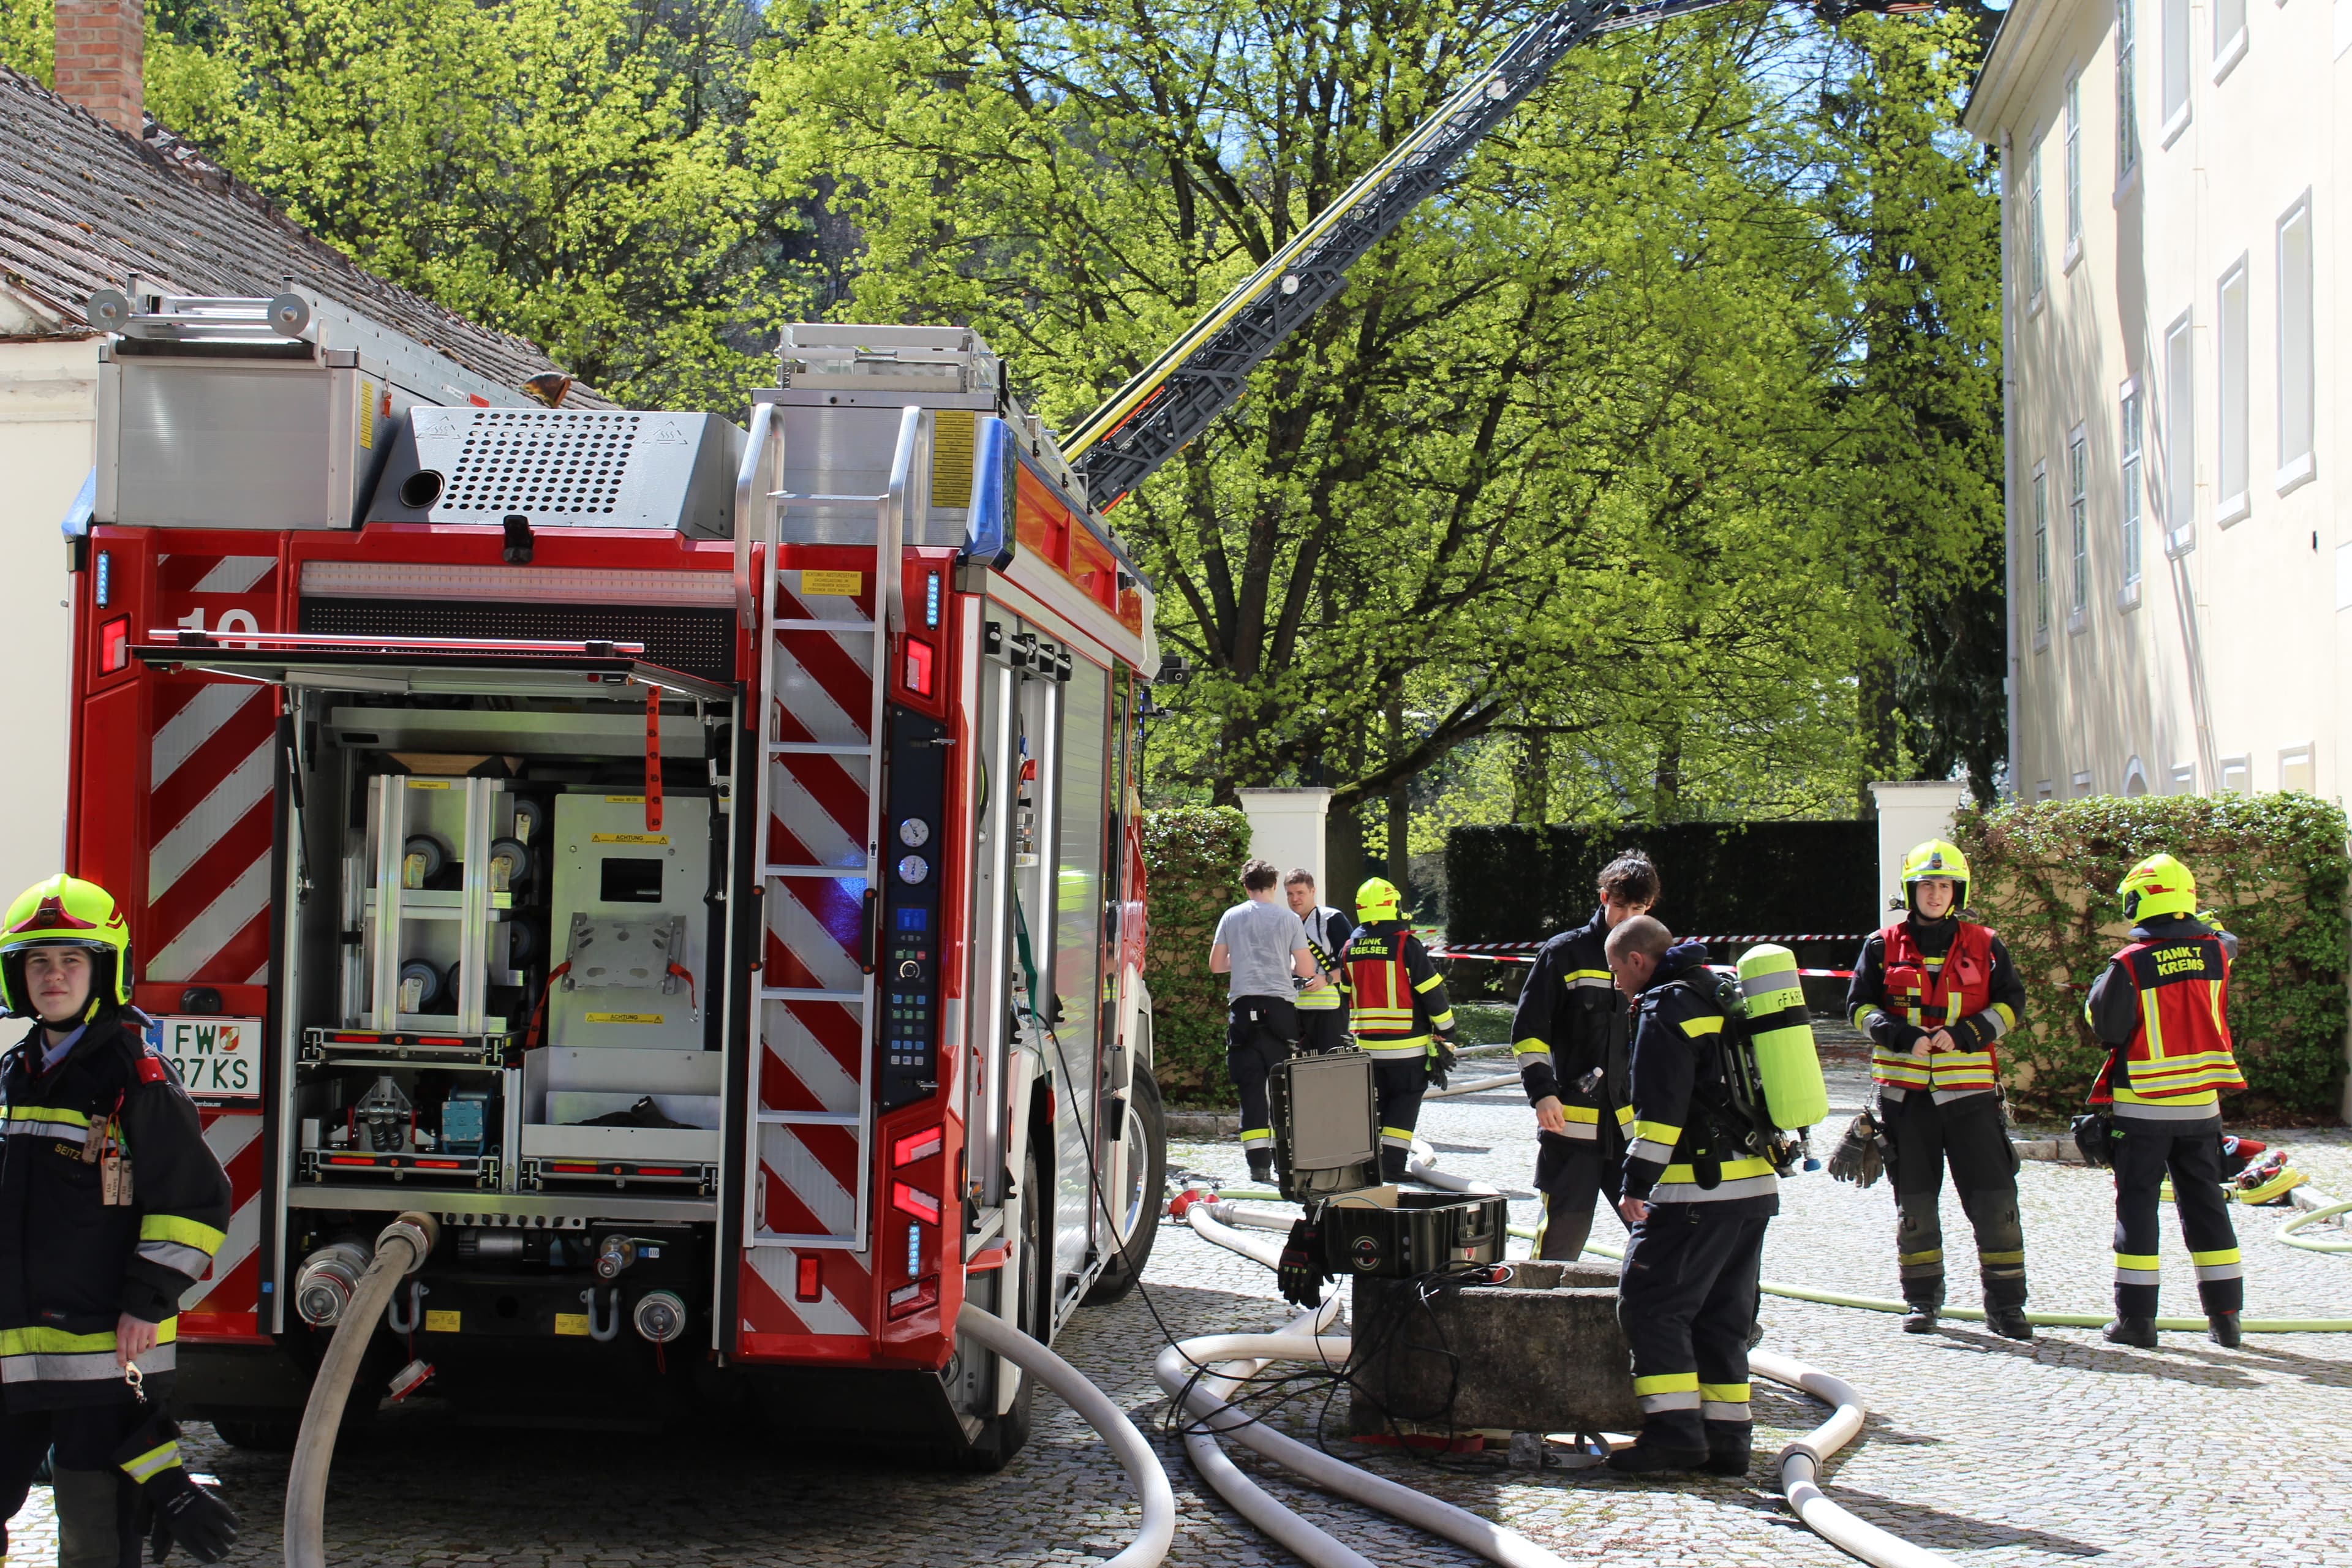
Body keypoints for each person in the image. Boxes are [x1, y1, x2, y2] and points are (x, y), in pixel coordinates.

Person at [0, 875, 238, 1566]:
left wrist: (147, 1301)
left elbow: (195, 1204)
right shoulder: (12, 1076)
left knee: (94, 1527)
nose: (54, 976)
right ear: (17, 976)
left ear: (104, 970)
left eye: (72, 960)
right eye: (38, 962)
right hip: (14, 1352)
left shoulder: (137, 1078)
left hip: (103, 1356)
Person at [1844, 839, 2034, 1339]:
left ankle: (2008, 1307)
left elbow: (2012, 1002)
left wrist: (1970, 1034)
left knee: (1996, 1203)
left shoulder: (1986, 943)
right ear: (1912, 890)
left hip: (1971, 1099)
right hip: (1906, 1101)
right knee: (1916, 1205)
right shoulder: (1880, 945)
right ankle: (1922, 1302)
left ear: (1957, 890)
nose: (1935, 893)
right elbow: (1858, 1006)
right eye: (1926, 884)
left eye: (1944, 884)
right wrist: (1900, 1036)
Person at [1605, 914, 1773, 1479]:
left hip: (1695, 1189)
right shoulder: (1722, 992)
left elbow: (1662, 1111)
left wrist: (1634, 1182)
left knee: (1651, 1305)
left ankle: (1674, 1435)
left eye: (1615, 970)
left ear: (1636, 961)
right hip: (1753, 1185)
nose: (1616, 984)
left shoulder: (1665, 1008)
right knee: (1722, 1316)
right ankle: (1727, 1441)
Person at [2082, 854, 2247, 1349]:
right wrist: (2207, 924)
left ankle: (2137, 1322)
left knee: (2138, 1210)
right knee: (2207, 1208)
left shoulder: (2129, 963)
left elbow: (2107, 1027)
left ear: (2139, 901)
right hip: (2202, 1110)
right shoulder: (2217, 953)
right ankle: (2226, 1319)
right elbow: (2226, 938)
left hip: (2144, 1110)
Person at [1510, 852, 1657, 1261]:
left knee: (1660, 1237)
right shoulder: (1564, 954)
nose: (1628, 917)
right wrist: (1542, 1094)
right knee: (1559, 1245)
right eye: (1621, 906)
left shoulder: (1654, 960)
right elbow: (1528, 1033)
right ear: (1603, 897)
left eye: (1638, 908)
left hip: (1632, 1132)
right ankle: (1537, 1316)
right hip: (1571, 1130)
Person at [1338, 879, 1455, 1182]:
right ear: (1393, 905)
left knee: (1377, 1105)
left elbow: (1346, 993)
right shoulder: (1406, 945)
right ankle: (1390, 1167)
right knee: (1404, 1103)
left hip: (1366, 1048)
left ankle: (1365, 1165)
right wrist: (1447, 1029)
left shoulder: (1349, 948)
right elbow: (1431, 992)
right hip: (1407, 1047)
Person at [1209, 859, 1317, 1181]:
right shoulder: (1289, 919)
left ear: (1245, 887)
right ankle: (1287, 1165)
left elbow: (1216, 965)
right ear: (1274, 886)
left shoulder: (1232, 916)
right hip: (1279, 1012)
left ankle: (1258, 1166)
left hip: (1242, 1013)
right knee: (1282, 1089)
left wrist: (1242, 962)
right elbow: (1307, 970)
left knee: (1251, 1092)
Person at [1282, 870, 1355, 1055]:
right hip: (1297, 1012)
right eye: (1290, 894)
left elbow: (1352, 963)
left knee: (1330, 1067)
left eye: (1300, 893)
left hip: (1331, 1012)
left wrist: (1327, 979)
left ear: (1313, 891)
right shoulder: (1286, 923)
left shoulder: (1332, 919)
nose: (1295, 899)